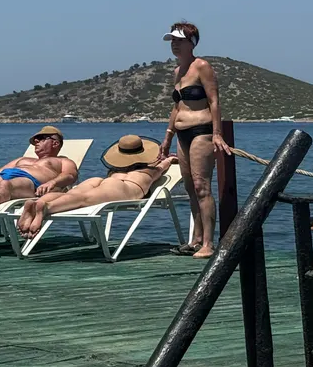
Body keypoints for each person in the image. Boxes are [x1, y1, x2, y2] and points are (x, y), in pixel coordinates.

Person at [157, 22, 229, 260]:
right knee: (190, 188)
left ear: (192, 42)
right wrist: (168, 137)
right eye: (172, 41)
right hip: (181, 133)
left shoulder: (202, 66)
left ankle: (209, 243)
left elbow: (214, 101)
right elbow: (177, 105)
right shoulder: (177, 72)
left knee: (201, 186)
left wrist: (217, 133)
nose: (174, 44)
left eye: (179, 40)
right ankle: (196, 240)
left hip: (201, 130)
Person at [18, 135, 178, 238]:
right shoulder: (150, 171)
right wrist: (169, 160)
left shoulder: (115, 169)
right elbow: (162, 165)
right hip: (125, 187)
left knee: (71, 195)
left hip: (99, 180)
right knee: (83, 199)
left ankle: (40, 202)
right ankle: (46, 208)